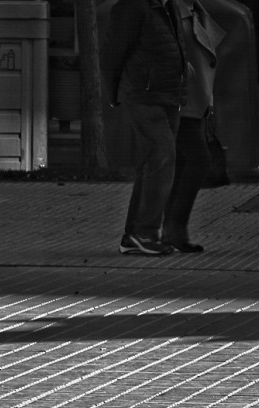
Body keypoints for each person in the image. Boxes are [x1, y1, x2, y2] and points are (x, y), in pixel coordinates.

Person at [102, 0, 188, 256]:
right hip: (143, 94)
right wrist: (115, 94)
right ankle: (144, 233)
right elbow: (111, 55)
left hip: (168, 95)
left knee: (155, 162)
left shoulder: (167, 6)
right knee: (162, 156)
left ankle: (136, 235)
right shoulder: (132, 7)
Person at [163, 0, 226, 253]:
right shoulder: (172, 10)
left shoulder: (195, 10)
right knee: (198, 160)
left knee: (182, 163)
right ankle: (173, 227)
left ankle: (169, 227)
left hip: (196, 102)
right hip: (181, 100)